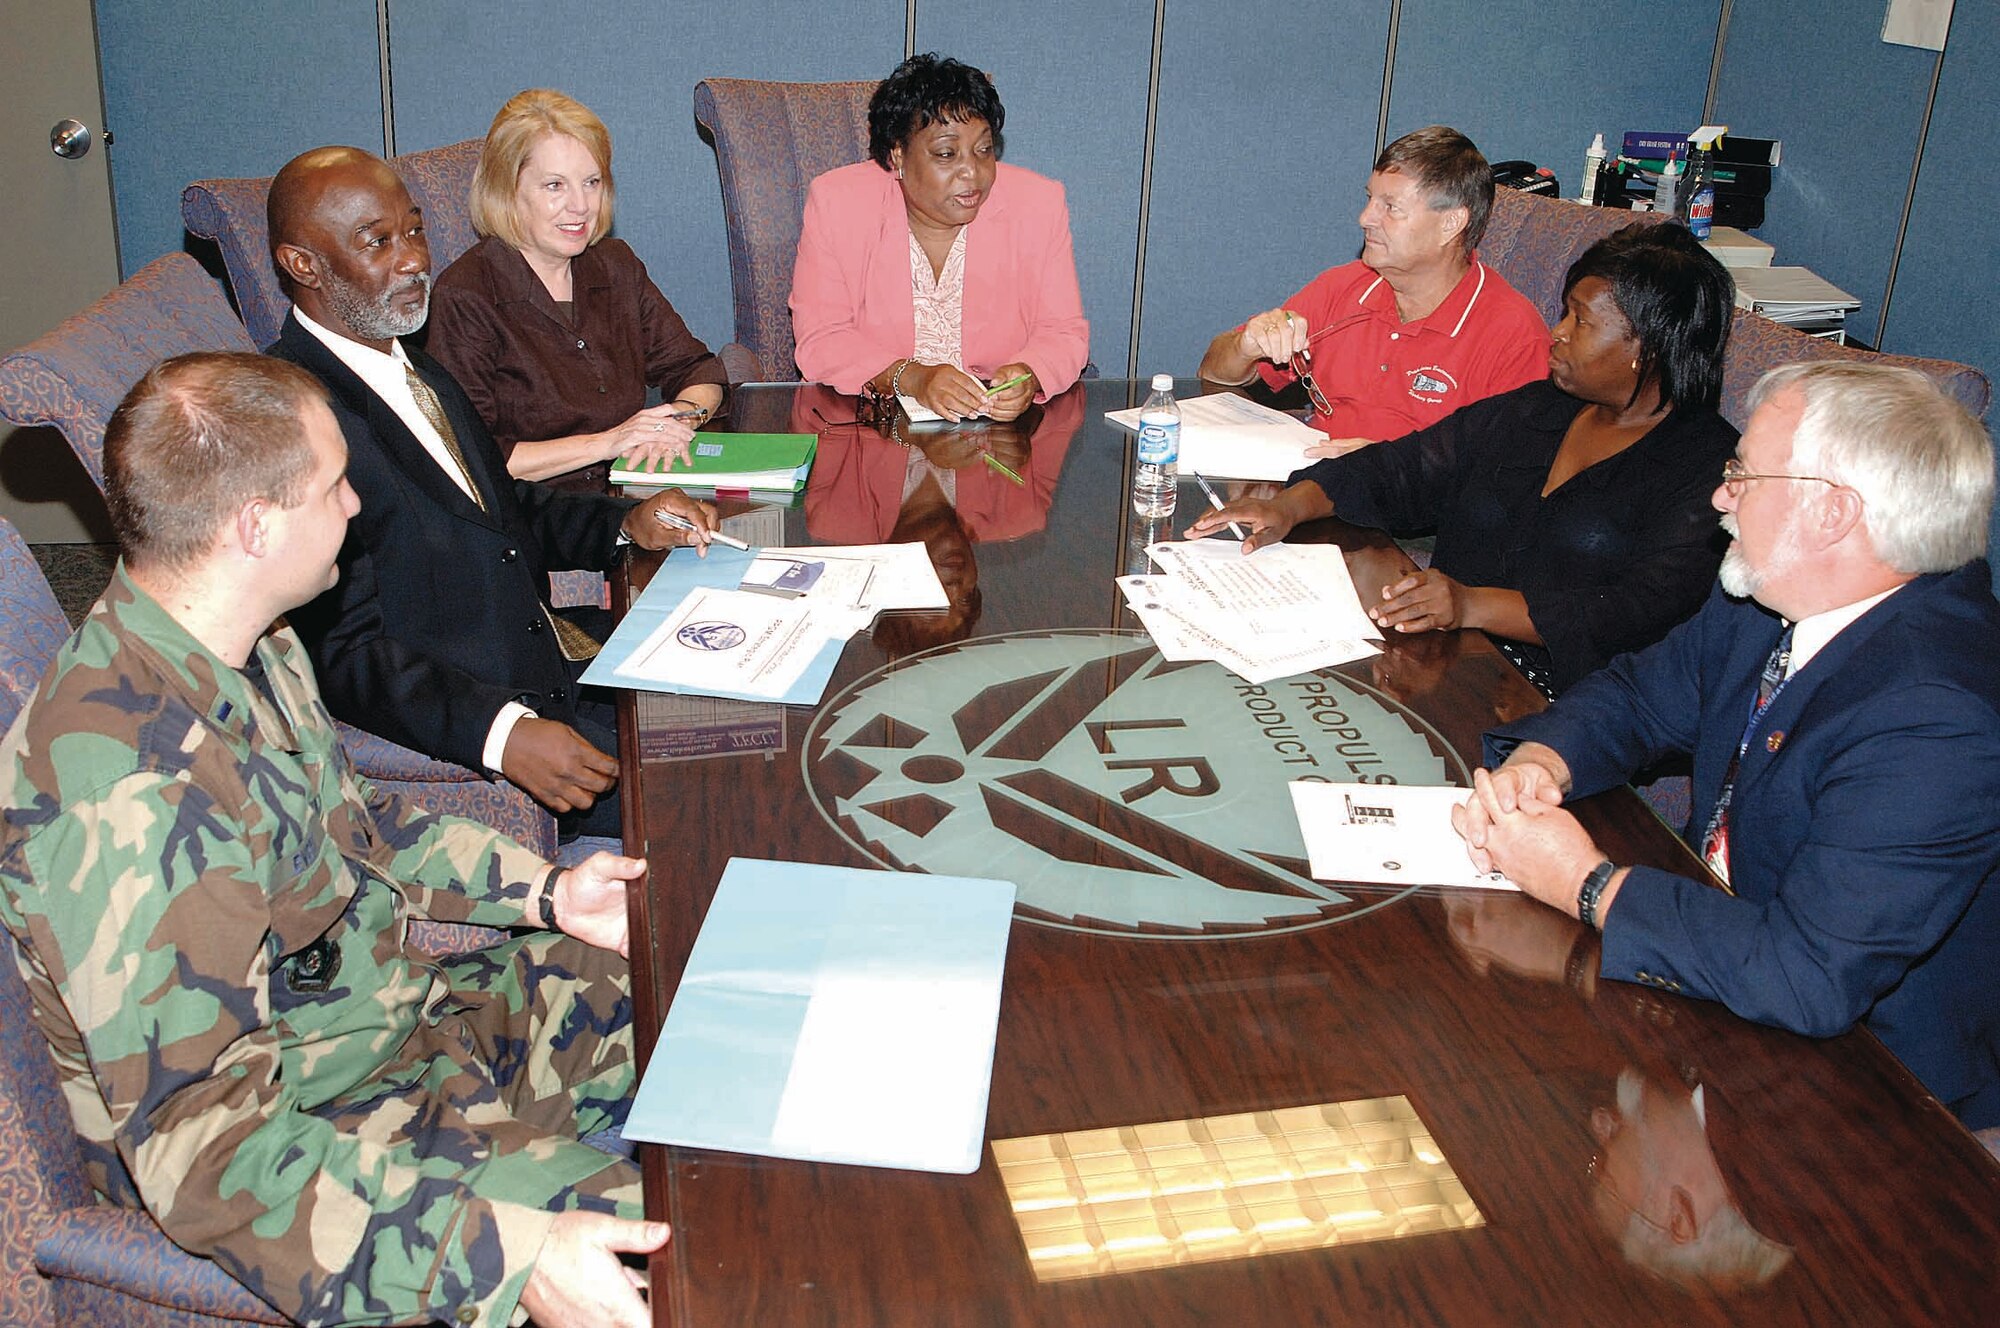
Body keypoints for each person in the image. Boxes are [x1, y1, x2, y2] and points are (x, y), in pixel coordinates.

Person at [0, 351, 666, 1328]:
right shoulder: (137, 805)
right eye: (332, 483)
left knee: (700, 975)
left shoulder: (254, 640)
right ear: (255, 525)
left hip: (396, 1025)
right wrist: (507, 1258)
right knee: (710, 1244)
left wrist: (547, 894)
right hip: (323, 1142)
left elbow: (362, 827)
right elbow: (214, 1167)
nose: (355, 504)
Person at [1452, 360, 2000, 1130]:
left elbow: (1808, 972)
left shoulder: (1937, 714)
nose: (1719, 497)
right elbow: (1641, 695)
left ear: (1831, 513)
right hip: (1717, 986)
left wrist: (1585, 882)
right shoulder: (1773, 594)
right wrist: (1544, 762)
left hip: (1881, 1104)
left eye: (1743, 475)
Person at [264, 145, 718, 839]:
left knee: (750, 706)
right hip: (489, 719)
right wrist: (502, 734)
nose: (415, 258)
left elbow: (504, 512)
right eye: (377, 242)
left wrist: (628, 523)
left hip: (554, 652)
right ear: (303, 265)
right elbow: (341, 651)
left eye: (414, 230)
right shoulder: (292, 417)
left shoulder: (412, 365)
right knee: (729, 796)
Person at [1190, 224, 1738, 695]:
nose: (1558, 333)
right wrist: (1289, 507)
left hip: (1567, 708)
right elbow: (1403, 469)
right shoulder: (1539, 409)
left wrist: (1472, 605)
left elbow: (1634, 612)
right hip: (1441, 662)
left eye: (1581, 321)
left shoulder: (1709, 468)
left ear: (1649, 346)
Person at [428, 88, 728, 493]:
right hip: (539, 521)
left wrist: (679, 418)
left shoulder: (615, 264)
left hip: (633, 493)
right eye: (554, 186)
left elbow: (697, 369)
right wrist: (608, 443)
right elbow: (471, 459)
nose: (580, 205)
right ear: (506, 191)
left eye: (591, 182)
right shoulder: (465, 297)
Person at [1197, 125, 1549, 450]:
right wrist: (1245, 346)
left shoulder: (1514, 335)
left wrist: (1386, 471)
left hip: (1413, 514)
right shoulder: (1346, 286)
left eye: (1390, 207)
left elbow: (1508, 481)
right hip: (1308, 491)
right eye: (1369, 199)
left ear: (1451, 223)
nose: (1364, 218)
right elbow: (1214, 372)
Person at [789, 52, 1089, 423]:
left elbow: (1063, 332)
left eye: (983, 150)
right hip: (871, 430)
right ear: (898, 154)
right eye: (946, 153)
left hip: (995, 444)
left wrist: (1030, 372)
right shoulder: (839, 203)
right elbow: (822, 338)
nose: (972, 172)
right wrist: (912, 378)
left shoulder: (1038, 204)